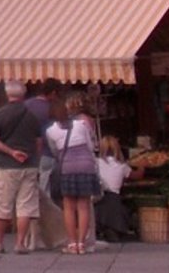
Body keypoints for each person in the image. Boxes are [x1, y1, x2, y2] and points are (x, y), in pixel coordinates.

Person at [0, 80, 42, 255]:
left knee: (2, 204)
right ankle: (20, 243)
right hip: (29, 165)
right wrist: (31, 157)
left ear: (8, 94)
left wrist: (11, 152)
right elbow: (39, 143)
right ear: (23, 95)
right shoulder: (32, 116)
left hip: (7, 165)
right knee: (25, 205)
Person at [47, 93, 99, 254]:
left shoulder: (51, 131)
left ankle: (72, 243)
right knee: (83, 206)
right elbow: (91, 146)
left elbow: (54, 151)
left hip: (67, 167)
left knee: (68, 206)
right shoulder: (81, 125)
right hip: (86, 165)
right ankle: (82, 244)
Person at [94, 136, 134, 242]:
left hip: (99, 197)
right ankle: (113, 229)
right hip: (114, 198)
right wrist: (142, 166)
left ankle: (99, 228)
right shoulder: (122, 165)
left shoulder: (96, 163)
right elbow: (136, 175)